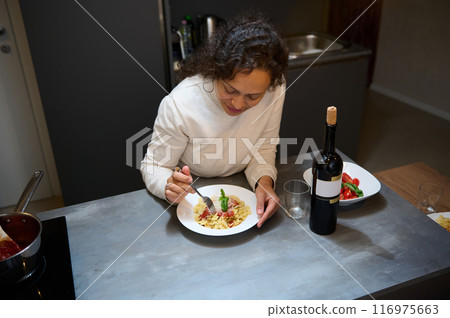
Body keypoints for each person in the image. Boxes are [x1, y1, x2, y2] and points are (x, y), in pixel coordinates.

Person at [141, 12, 288, 228]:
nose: (238, 104)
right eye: (230, 89)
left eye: (253, 97)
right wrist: (168, 186)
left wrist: (264, 183)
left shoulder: (275, 89)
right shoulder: (180, 103)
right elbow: (153, 166)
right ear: (216, 70)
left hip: (242, 190)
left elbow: (263, 148)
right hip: (194, 196)